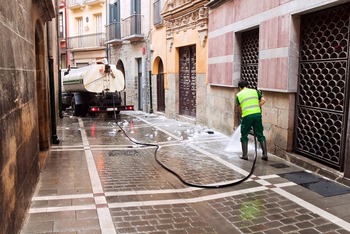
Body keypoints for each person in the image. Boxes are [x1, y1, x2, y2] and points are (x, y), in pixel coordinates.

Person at [236, 80, 268, 161]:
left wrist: (243, 114)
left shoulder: (238, 95)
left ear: (239, 87)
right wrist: (256, 107)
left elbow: (239, 108)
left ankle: (245, 155)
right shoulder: (255, 91)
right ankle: (265, 154)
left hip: (247, 116)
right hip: (257, 114)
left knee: (244, 134)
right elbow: (263, 100)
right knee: (260, 134)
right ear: (247, 85)